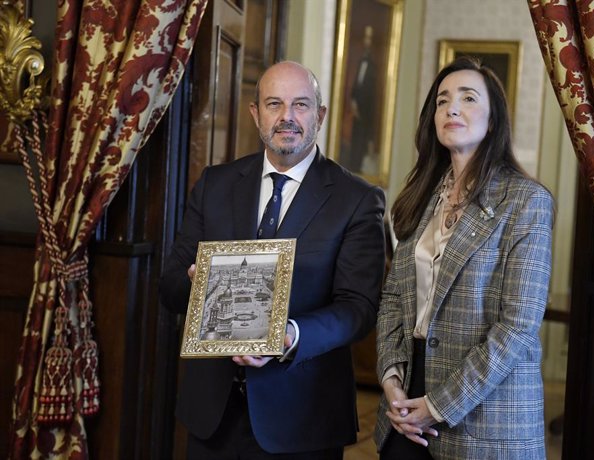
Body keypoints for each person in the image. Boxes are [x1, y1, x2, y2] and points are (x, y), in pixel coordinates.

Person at [160, 61, 386, 459]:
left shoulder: (357, 199)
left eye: (300, 105)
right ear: (255, 113)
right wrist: (199, 286)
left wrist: (292, 335)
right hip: (213, 416)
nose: (287, 117)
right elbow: (171, 284)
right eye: (274, 104)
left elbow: (359, 308)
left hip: (302, 418)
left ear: (320, 114)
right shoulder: (215, 184)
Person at [375, 56, 553, 459]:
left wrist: (438, 405)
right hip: (404, 399)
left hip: (484, 415)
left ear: (492, 122)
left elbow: (517, 327)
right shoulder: (421, 196)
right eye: (442, 100)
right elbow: (392, 300)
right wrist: (391, 382)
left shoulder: (526, 201)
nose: (451, 108)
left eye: (468, 98)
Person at [345, 24, 377, 173]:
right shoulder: (360, 60)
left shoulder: (373, 64)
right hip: (356, 107)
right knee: (355, 139)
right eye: (365, 37)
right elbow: (357, 83)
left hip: (367, 110)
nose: (367, 41)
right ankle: (353, 165)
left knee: (362, 141)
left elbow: (372, 92)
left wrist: (362, 109)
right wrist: (353, 101)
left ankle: (358, 166)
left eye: (369, 38)